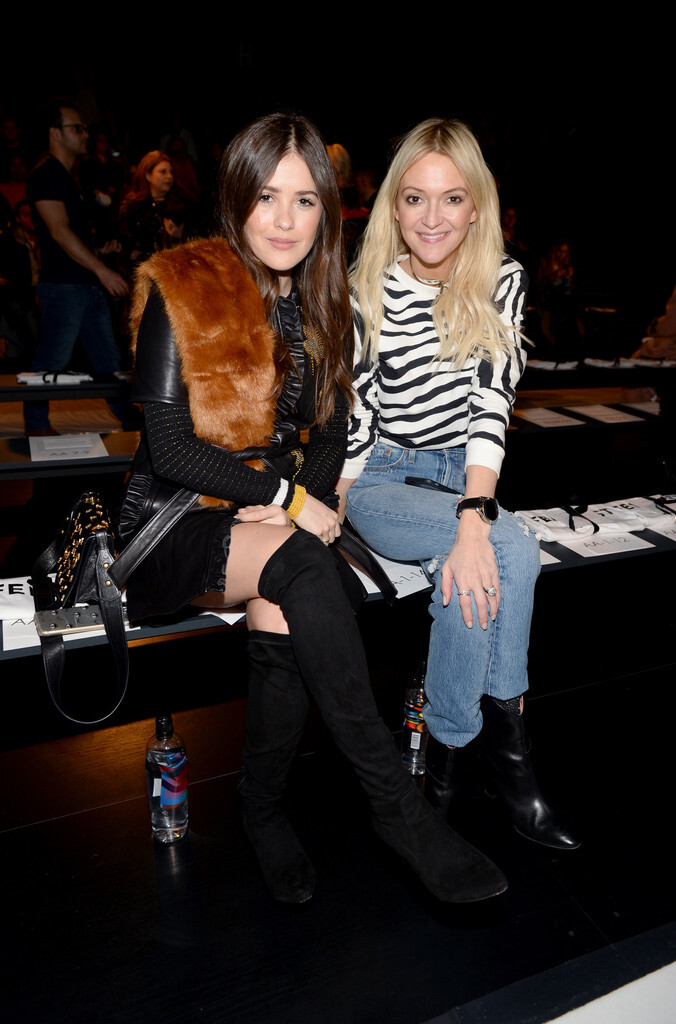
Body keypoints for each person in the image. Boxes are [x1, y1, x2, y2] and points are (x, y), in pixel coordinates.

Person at [118, 113, 508, 906]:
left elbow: (332, 437)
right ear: (236, 198)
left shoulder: (324, 300)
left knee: (285, 613)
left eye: (304, 201)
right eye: (267, 197)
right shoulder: (183, 285)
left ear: (326, 211)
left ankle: (261, 809)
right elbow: (169, 449)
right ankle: (396, 809)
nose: (285, 220)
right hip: (172, 519)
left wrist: (294, 500)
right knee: (303, 563)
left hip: (264, 522)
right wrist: (286, 499)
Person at [336, 118, 579, 851]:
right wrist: (337, 500)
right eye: (415, 198)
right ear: (393, 205)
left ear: (477, 206)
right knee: (513, 549)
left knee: (489, 558)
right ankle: (507, 762)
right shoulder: (366, 286)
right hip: (382, 478)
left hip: (460, 474)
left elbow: (490, 404)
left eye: (451, 198)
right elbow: (357, 410)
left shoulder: (502, 280)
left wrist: (472, 515)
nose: (432, 217)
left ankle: (445, 773)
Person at [24, 98, 128, 434]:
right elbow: (58, 231)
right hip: (64, 286)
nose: (85, 134)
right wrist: (102, 269)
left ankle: (130, 420)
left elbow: (67, 236)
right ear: (55, 133)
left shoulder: (69, 177)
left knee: (108, 362)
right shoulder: (46, 175)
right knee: (52, 360)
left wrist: (100, 253)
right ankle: (36, 425)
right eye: (77, 128)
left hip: (84, 285)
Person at [118, 150, 188, 268]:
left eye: (171, 172)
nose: (169, 176)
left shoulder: (181, 205)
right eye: (163, 172)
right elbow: (123, 239)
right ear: (148, 176)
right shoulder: (132, 207)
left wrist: (181, 235)